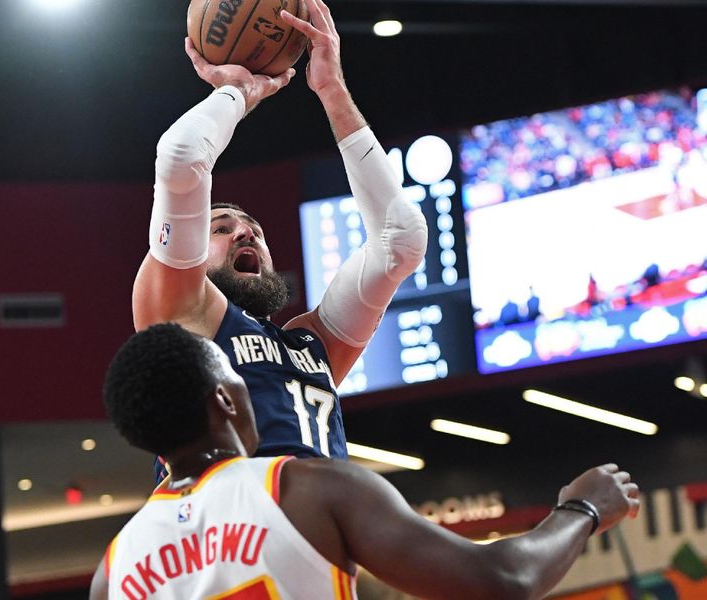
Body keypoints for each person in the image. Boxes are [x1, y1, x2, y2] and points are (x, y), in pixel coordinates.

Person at [90, 323, 641, 600]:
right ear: (227, 400)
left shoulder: (112, 571)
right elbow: (505, 580)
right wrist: (583, 508)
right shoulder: (307, 489)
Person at [133, 0, 428, 480]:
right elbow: (182, 157)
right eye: (221, 228)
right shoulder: (177, 311)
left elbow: (400, 239)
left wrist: (332, 91)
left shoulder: (311, 347)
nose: (244, 230)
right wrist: (238, 92)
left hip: (321, 541)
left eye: (251, 228)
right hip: (230, 538)